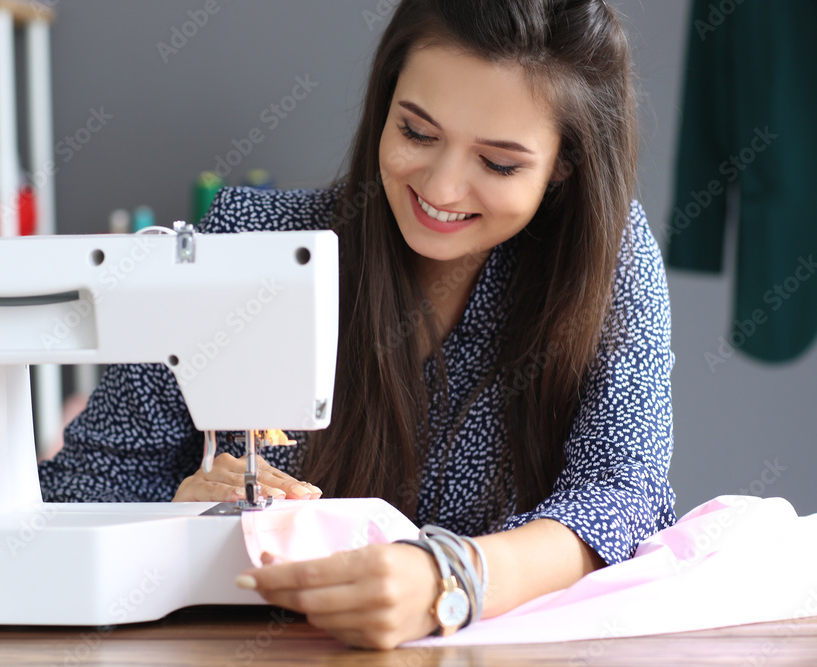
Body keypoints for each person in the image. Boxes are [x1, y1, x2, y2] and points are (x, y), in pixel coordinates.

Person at [39, 0, 676, 650]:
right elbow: (79, 490)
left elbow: (624, 494)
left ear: (563, 164)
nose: (444, 187)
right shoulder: (249, 241)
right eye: (418, 134)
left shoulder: (606, 263)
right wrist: (179, 514)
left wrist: (447, 577)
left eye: (499, 164)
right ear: (386, 100)